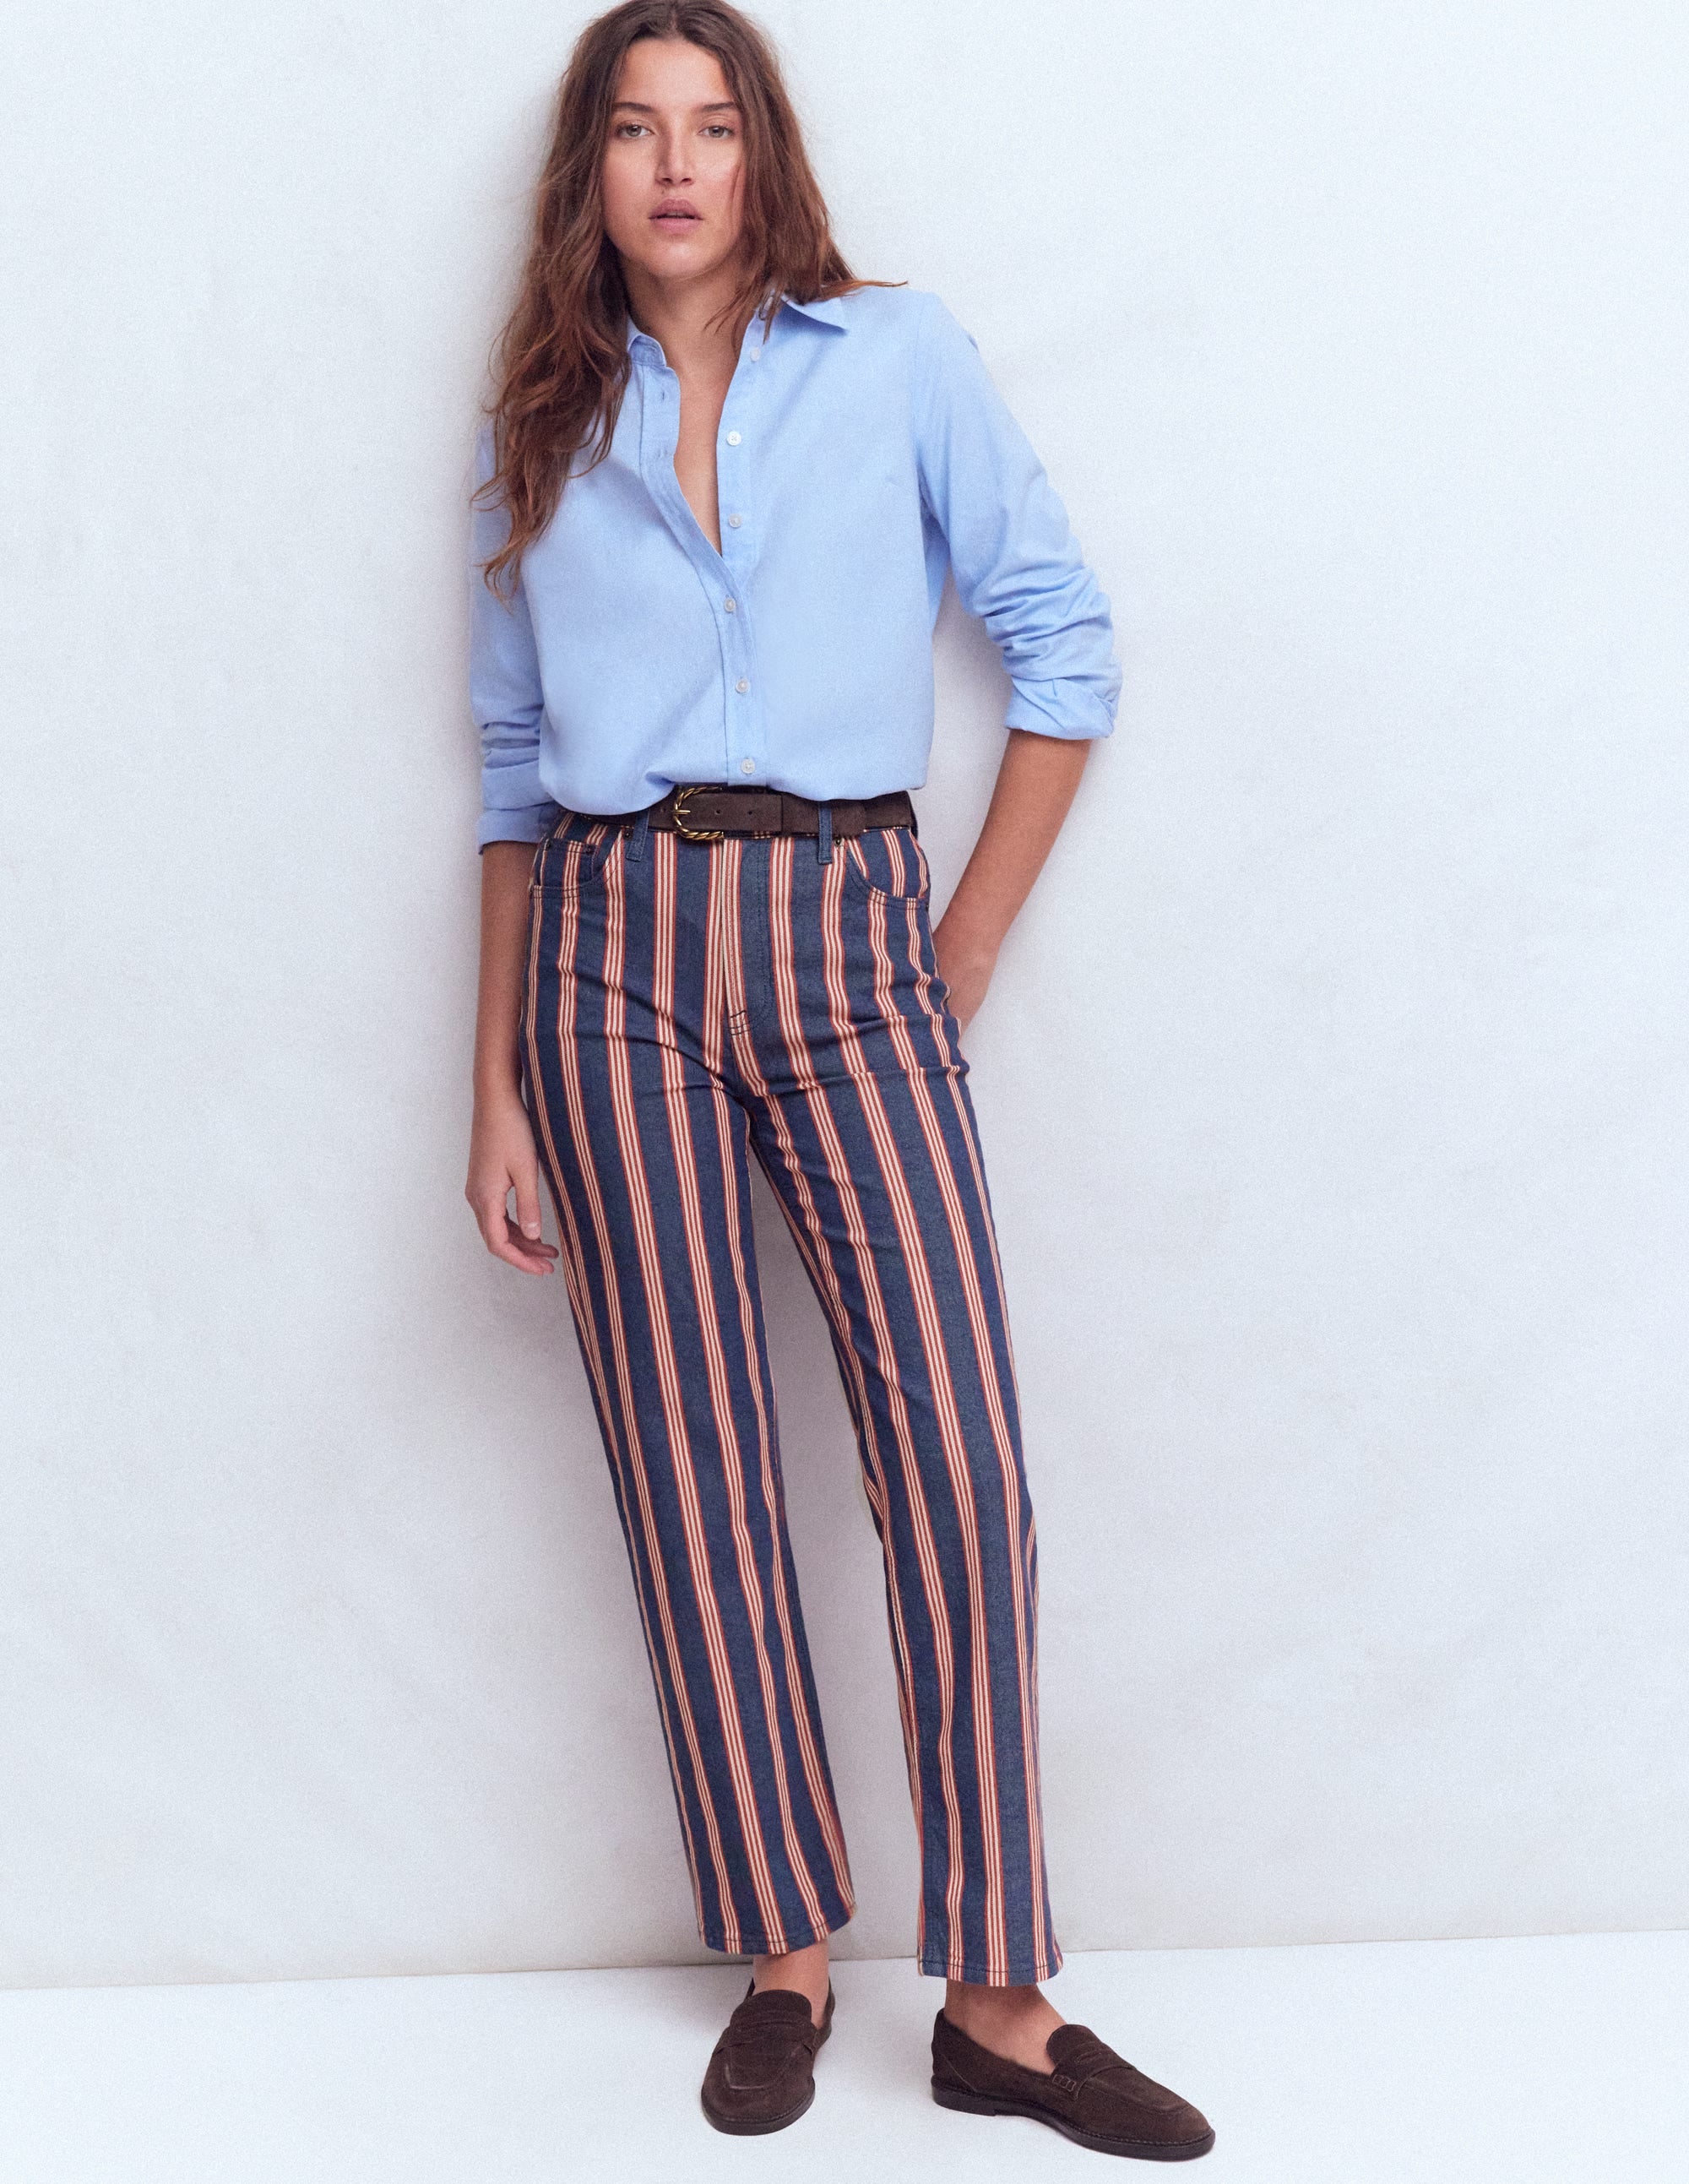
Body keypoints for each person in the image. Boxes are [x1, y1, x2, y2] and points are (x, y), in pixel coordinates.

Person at [464, 0, 1214, 2158]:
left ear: (761, 155)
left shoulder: (893, 362)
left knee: (953, 1456)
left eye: (712, 126)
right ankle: (787, 1952)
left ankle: (995, 1999)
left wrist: (954, 943)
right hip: (607, 965)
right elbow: (514, 781)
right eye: (634, 129)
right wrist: (495, 1083)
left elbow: (1063, 639)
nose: (675, 165)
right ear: (589, 174)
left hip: (846, 933)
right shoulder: (533, 423)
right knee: (694, 1473)